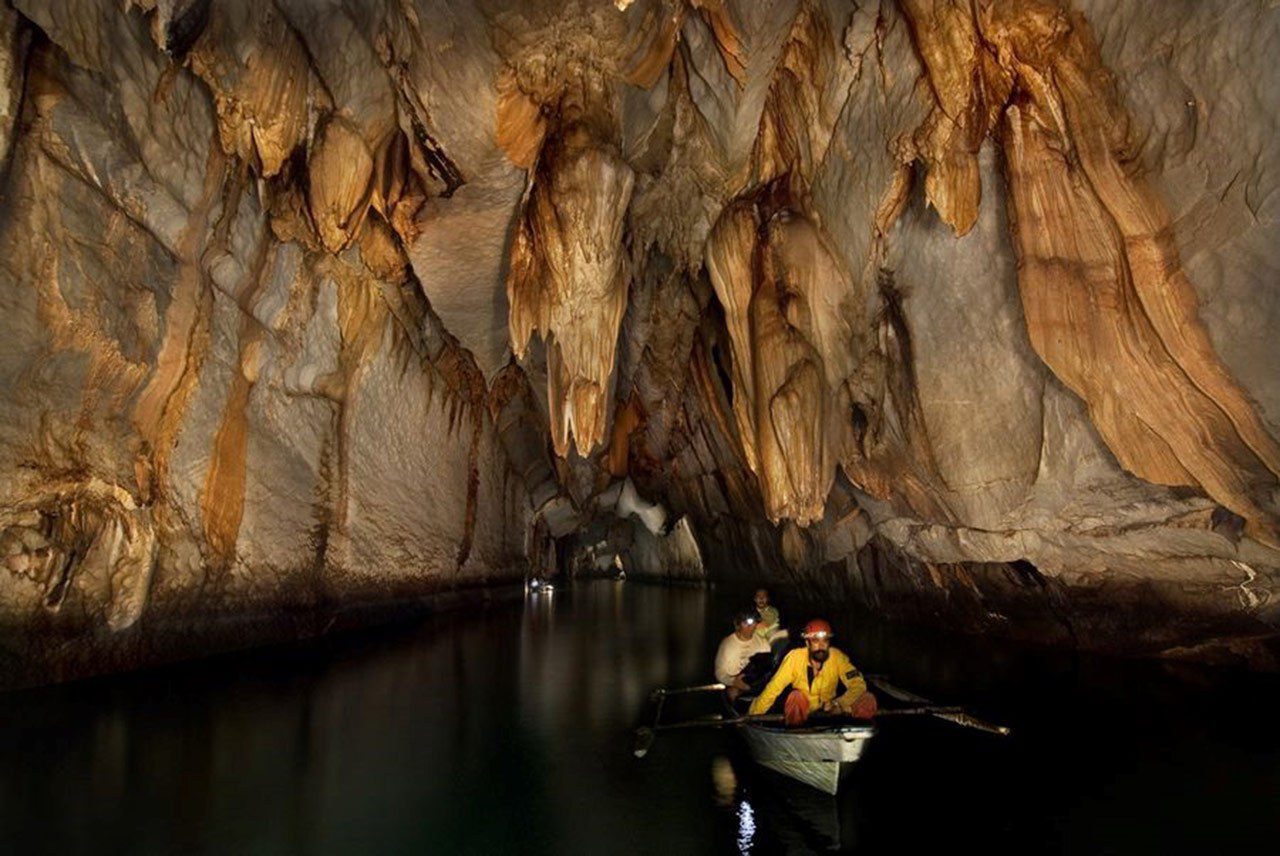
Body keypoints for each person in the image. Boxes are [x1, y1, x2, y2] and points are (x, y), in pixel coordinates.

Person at [747, 618, 877, 726]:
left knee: (868, 698)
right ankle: (797, 732)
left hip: (830, 710)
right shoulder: (795, 658)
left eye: (825, 640)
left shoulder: (837, 657)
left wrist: (839, 704)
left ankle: (855, 735)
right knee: (796, 697)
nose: (821, 646)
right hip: (803, 710)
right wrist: (753, 716)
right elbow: (773, 688)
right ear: (807, 643)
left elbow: (857, 684)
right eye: (815, 641)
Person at [714, 611, 773, 701]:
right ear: (738, 624)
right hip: (733, 686)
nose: (750, 627)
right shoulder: (727, 644)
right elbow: (719, 673)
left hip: (756, 686)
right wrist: (734, 682)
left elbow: (768, 670)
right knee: (732, 693)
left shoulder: (763, 643)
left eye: (753, 623)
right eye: (745, 623)